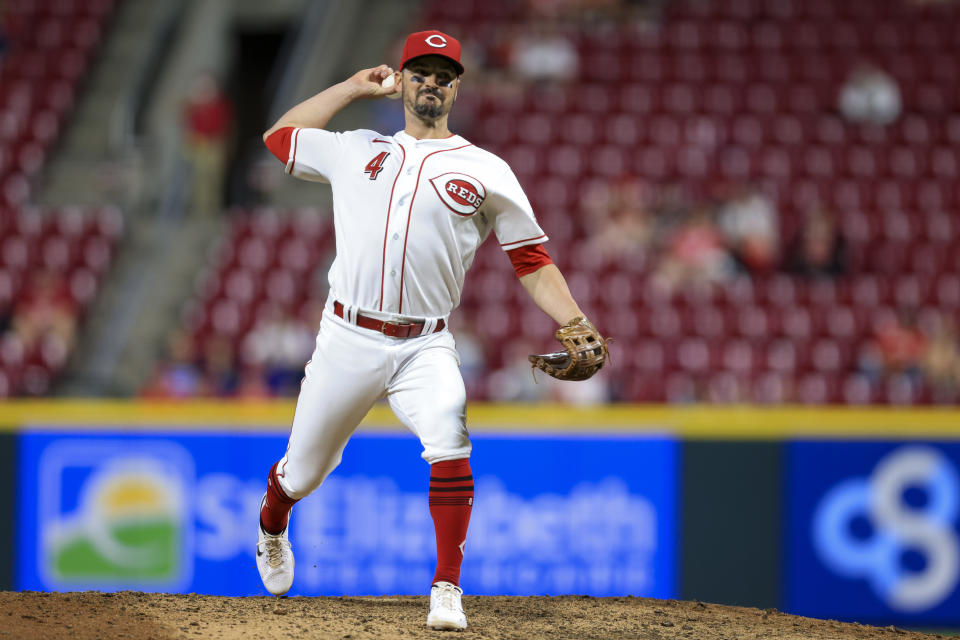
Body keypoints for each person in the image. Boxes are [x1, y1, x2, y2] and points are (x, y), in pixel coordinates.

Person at [256, 30, 603, 631]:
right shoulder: (355, 147)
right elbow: (278, 137)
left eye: (444, 73)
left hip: (425, 342)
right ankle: (270, 525)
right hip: (348, 336)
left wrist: (571, 317)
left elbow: (531, 259)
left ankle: (447, 588)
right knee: (303, 473)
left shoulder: (486, 169)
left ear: (457, 85)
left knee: (450, 437)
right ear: (403, 79)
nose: (432, 82)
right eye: (421, 70)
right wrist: (350, 87)